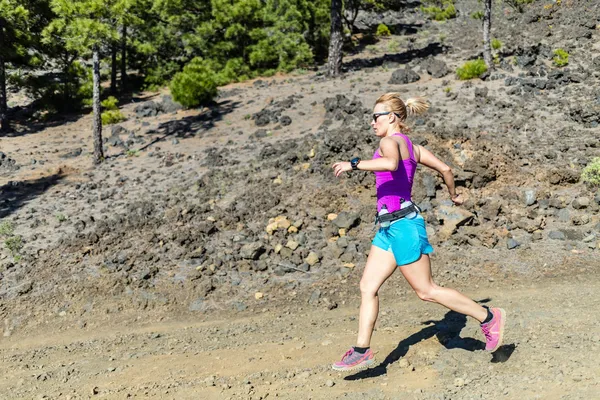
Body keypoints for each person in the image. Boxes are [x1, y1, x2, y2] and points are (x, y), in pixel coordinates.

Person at [330, 92, 506, 372]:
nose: (372, 122)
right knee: (367, 287)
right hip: (388, 226)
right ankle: (361, 350)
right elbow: (446, 169)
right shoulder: (413, 146)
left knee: (426, 291)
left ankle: (488, 317)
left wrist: (353, 164)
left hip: (403, 226)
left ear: (391, 117)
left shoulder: (389, 141)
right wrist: (454, 195)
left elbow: (390, 164)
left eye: (376, 117)